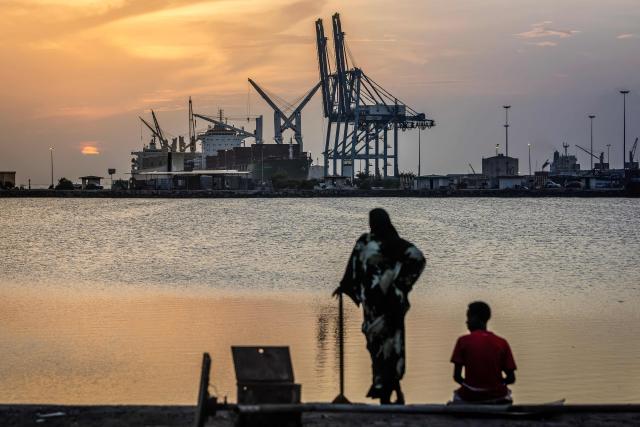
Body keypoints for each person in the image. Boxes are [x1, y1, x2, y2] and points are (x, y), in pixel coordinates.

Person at [333, 208, 425, 404]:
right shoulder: (365, 242)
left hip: (392, 307)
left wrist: (401, 285)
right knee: (375, 345)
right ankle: (389, 387)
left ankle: (387, 389)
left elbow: (418, 259)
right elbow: (354, 265)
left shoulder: (396, 245)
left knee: (393, 346)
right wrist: (344, 286)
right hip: (372, 307)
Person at [450, 301, 517, 404]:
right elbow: (511, 378)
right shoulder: (502, 342)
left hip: (470, 395)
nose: (466, 322)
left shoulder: (462, 341)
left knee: (456, 397)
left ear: (476, 318)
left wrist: (472, 387)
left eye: (469, 317)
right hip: (497, 395)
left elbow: (457, 377)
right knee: (507, 394)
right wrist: (496, 385)